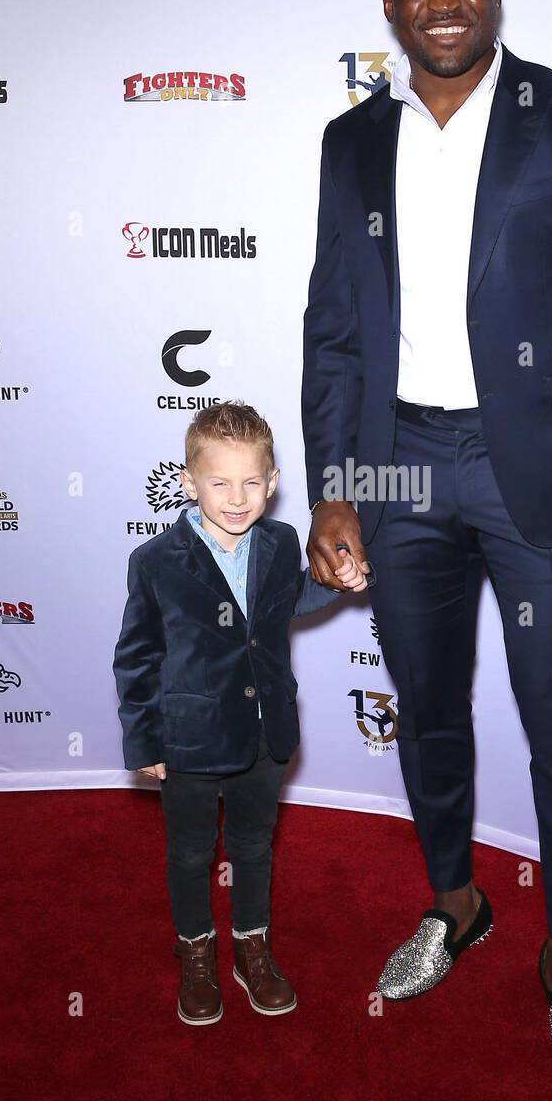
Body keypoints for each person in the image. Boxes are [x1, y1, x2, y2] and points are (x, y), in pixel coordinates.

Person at [301, 0, 552, 1073]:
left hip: (540, 476)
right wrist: (334, 486)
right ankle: (455, 901)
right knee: (428, 706)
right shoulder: (349, 141)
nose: (444, 2)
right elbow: (334, 332)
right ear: (388, 4)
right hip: (397, 466)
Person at [112, 400, 366, 1025]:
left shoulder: (280, 543)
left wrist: (336, 579)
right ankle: (196, 951)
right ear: (188, 481)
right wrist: (145, 742)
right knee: (190, 853)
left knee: (254, 846)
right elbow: (136, 656)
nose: (236, 497)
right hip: (190, 739)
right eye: (219, 482)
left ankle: (253, 946)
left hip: (264, 734)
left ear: (273, 483)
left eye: (251, 482)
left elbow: (288, 601)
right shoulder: (155, 562)